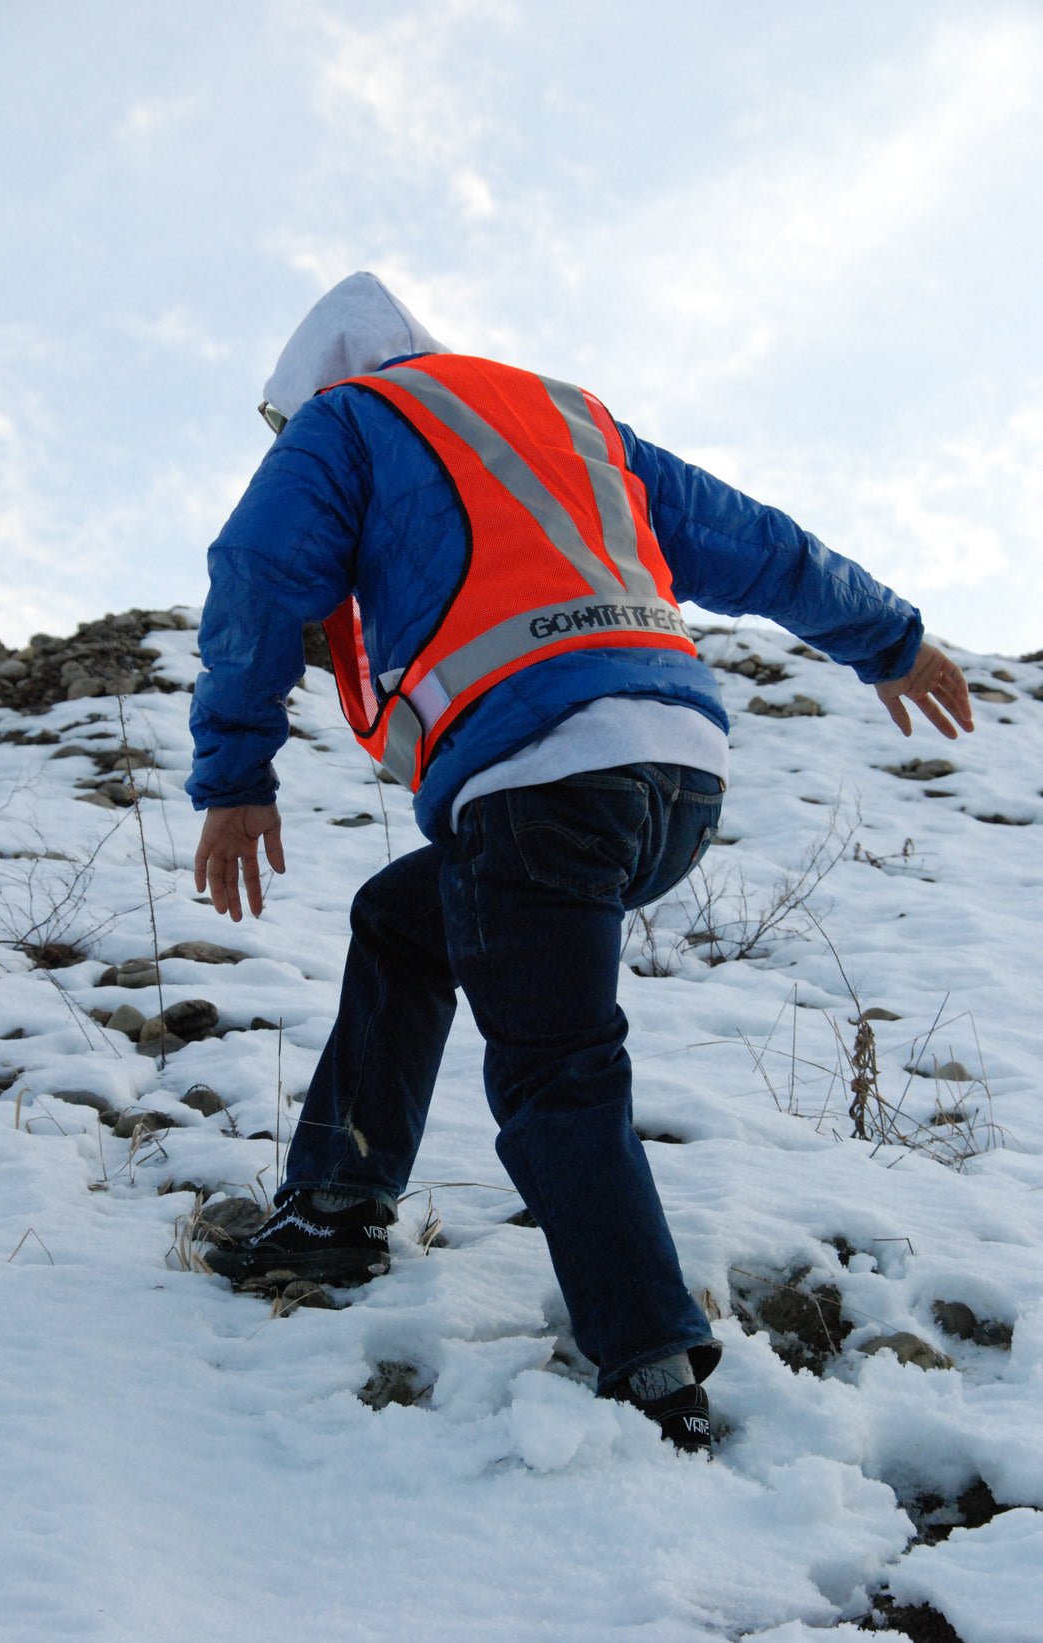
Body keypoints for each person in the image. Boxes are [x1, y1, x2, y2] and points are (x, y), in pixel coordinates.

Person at [188, 272, 973, 1452]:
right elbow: (755, 543)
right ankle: (338, 1203)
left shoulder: (346, 420)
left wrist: (236, 776)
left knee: (553, 1063)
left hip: (537, 780)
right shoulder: (567, 416)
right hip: (673, 782)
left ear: (311, 387)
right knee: (406, 918)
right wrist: (888, 635)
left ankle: (649, 1361)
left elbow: (259, 569)